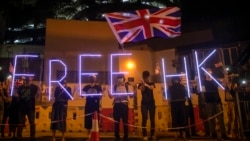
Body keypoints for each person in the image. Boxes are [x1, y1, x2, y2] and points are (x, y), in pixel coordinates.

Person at [203, 68, 229, 140]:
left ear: (211, 72)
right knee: (211, 119)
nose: (208, 73)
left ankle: (223, 134)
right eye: (207, 72)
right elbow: (200, 89)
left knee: (220, 118)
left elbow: (223, 85)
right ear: (205, 73)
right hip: (208, 101)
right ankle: (213, 134)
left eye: (209, 71)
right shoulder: (203, 82)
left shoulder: (215, 81)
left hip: (217, 101)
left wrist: (225, 75)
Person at [108, 74, 133, 141]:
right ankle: (117, 136)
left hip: (124, 105)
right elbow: (111, 96)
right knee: (116, 122)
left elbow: (131, 96)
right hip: (117, 105)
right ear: (117, 79)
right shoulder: (115, 87)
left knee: (125, 121)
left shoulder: (127, 87)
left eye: (121, 78)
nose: (120, 79)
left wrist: (134, 93)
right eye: (118, 78)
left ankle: (126, 136)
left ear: (123, 79)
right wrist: (108, 91)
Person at [16, 77, 38, 141]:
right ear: (24, 81)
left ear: (30, 80)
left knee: (31, 122)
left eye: (28, 80)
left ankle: (32, 137)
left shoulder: (34, 87)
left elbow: (36, 92)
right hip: (22, 108)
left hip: (30, 108)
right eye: (26, 80)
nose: (27, 81)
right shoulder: (21, 87)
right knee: (21, 123)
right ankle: (19, 136)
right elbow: (18, 95)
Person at [138, 71, 156, 141]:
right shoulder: (140, 84)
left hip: (152, 103)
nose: (146, 78)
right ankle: (144, 135)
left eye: (147, 77)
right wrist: (143, 84)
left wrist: (145, 84)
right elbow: (142, 90)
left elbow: (151, 88)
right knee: (144, 119)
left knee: (152, 119)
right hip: (144, 104)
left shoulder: (152, 83)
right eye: (145, 77)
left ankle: (152, 134)